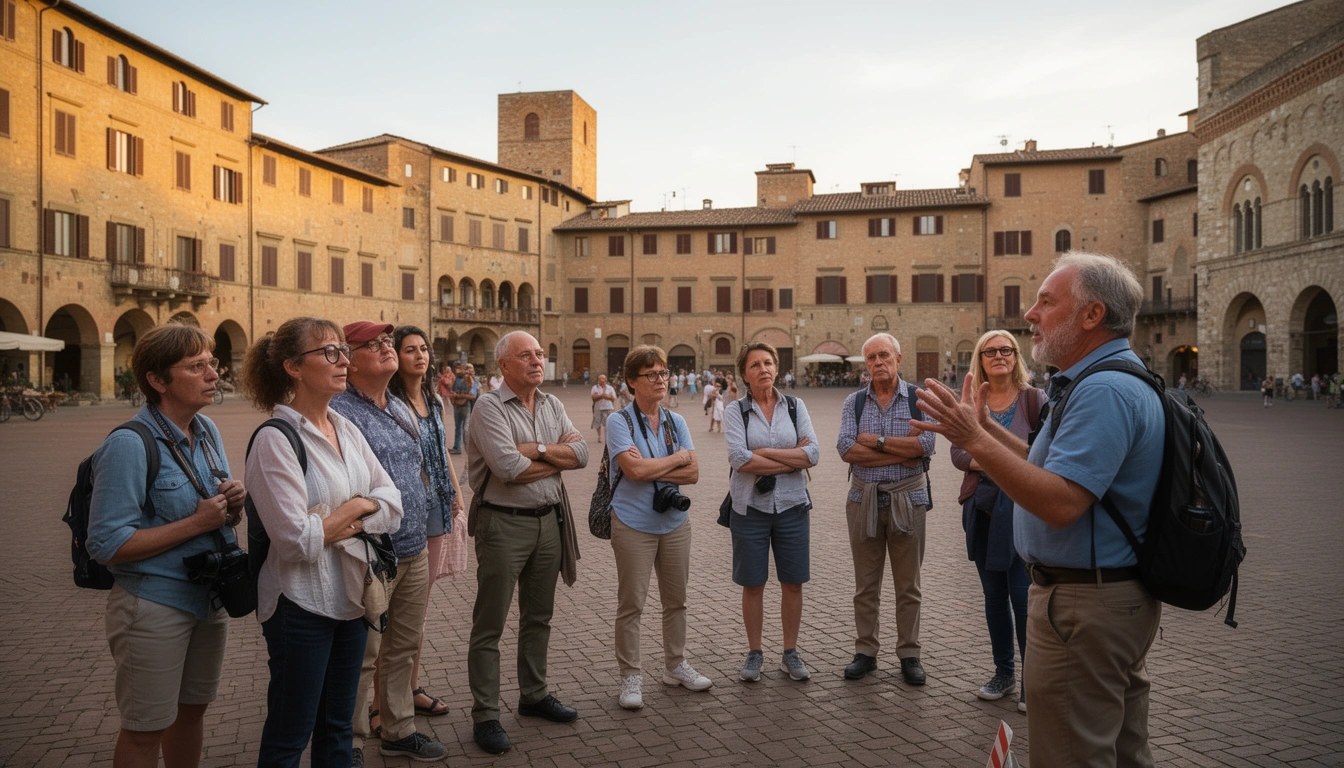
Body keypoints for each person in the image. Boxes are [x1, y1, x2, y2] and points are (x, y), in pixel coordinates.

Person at [914, 252, 1163, 768]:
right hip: (1103, 599)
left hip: (1084, 608)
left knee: (1070, 755)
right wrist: (982, 430)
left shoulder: (1104, 391)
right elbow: (1045, 463)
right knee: (1120, 752)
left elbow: (1060, 501)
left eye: (1046, 302)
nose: (1029, 314)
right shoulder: (1097, 380)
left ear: (1091, 315)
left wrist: (971, 442)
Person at [242, 317, 404, 768]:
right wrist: (357, 508)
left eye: (343, 351)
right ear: (294, 367)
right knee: (289, 734)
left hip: (351, 601)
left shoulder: (345, 428)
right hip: (300, 605)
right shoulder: (275, 440)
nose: (343, 360)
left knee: (337, 730)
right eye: (330, 352)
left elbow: (393, 505)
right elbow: (296, 542)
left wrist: (338, 518)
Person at [87, 324, 245, 768]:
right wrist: (197, 522)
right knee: (145, 729)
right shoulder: (128, 444)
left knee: (191, 714)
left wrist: (232, 505)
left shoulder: (207, 429)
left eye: (211, 363)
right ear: (157, 380)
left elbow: (215, 511)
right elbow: (107, 542)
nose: (213, 373)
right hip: (152, 604)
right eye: (197, 367)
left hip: (207, 600)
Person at [465, 331, 588, 755]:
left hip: (549, 523)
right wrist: (555, 461)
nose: (538, 361)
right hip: (504, 526)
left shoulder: (552, 404)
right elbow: (507, 469)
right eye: (526, 356)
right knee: (490, 625)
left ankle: (533, 695)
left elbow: (584, 453)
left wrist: (535, 450)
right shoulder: (488, 407)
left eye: (539, 354)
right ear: (503, 365)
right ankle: (485, 715)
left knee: (539, 617)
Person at [331, 322, 448, 763]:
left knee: (403, 646)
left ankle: (398, 729)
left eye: (386, 342)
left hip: (414, 547)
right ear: (349, 358)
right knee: (364, 655)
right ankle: (353, 741)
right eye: (372, 344)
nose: (385, 348)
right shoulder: (340, 412)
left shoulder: (399, 406)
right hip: (372, 554)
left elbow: (417, 467)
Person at [605, 346, 707, 710]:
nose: (661, 380)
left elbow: (693, 473)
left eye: (664, 373)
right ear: (632, 381)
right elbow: (632, 472)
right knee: (631, 603)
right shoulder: (619, 422)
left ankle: (675, 665)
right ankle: (630, 675)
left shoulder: (675, 422)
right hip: (633, 523)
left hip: (675, 523)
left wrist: (655, 464)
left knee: (676, 600)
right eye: (652, 375)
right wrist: (676, 458)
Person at [949, 331, 1044, 713]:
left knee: (1023, 598)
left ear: (1016, 356)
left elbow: (1041, 454)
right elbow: (958, 453)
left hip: (1022, 509)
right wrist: (1001, 464)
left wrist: (988, 459)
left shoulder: (1035, 400)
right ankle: (1003, 672)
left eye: (1006, 350)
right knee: (994, 598)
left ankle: (1030, 684)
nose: (999, 356)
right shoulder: (970, 401)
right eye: (991, 351)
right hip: (984, 507)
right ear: (981, 359)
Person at [835, 333, 936, 686]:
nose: (878, 363)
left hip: (908, 499)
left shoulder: (919, 400)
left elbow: (925, 444)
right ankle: (866, 651)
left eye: (884, 356)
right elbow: (846, 448)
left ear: (898, 358)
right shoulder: (855, 403)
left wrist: (875, 443)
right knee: (866, 585)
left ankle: (910, 654)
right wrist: (902, 452)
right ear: (866, 365)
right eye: (872, 358)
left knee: (909, 586)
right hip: (863, 499)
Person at [723, 342, 820, 683]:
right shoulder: (735, 411)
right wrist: (787, 457)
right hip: (749, 508)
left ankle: (790, 653)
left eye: (768, 363)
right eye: (755, 365)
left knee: (793, 583)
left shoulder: (795, 406)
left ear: (776, 369)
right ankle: (755, 652)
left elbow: (813, 454)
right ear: (745, 374)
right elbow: (739, 458)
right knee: (753, 583)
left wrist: (762, 454)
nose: (763, 369)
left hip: (792, 505)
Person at [388, 327, 467, 724]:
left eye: (423, 349)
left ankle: (410, 688)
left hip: (437, 505)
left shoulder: (434, 401)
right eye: (409, 350)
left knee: (418, 608)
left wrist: (455, 493)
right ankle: (383, 700)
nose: (419, 356)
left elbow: (442, 451)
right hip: (408, 510)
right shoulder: (390, 403)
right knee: (398, 610)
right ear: (395, 358)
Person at [450, 364, 478, 454]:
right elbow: (452, 390)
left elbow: (473, 395)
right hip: (458, 406)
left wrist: (459, 395)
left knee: (465, 429)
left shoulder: (472, 381)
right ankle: (457, 447)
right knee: (458, 428)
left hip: (466, 406)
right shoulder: (458, 380)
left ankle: (467, 449)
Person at [591, 373, 617, 443]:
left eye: (603, 380)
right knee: (597, 422)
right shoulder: (595, 387)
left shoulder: (610, 388)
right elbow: (593, 397)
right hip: (598, 408)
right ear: (598, 381)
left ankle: (607, 437)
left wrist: (604, 396)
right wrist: (602, 396)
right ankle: (599, 436)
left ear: (606, 380)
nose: (602, 381)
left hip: (609, 408)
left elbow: (613, 398)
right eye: (601, 380)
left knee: (608, 423)